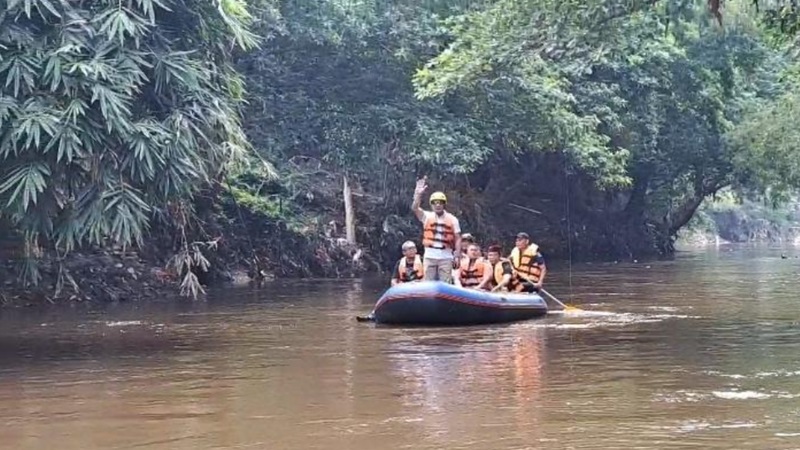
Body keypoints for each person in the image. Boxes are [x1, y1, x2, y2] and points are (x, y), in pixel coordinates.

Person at [412, 177, 462, 283]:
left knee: (445, 283)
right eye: (435, 202)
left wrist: (457, 255)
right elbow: (415, 208)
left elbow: (458, 238)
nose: (438, 205)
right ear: (432, 204)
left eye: (440, 202)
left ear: (444, 204)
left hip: (446, 257)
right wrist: (418, 195)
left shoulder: (453, 219)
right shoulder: (426, 216)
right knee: (428, 283)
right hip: (430, 256)